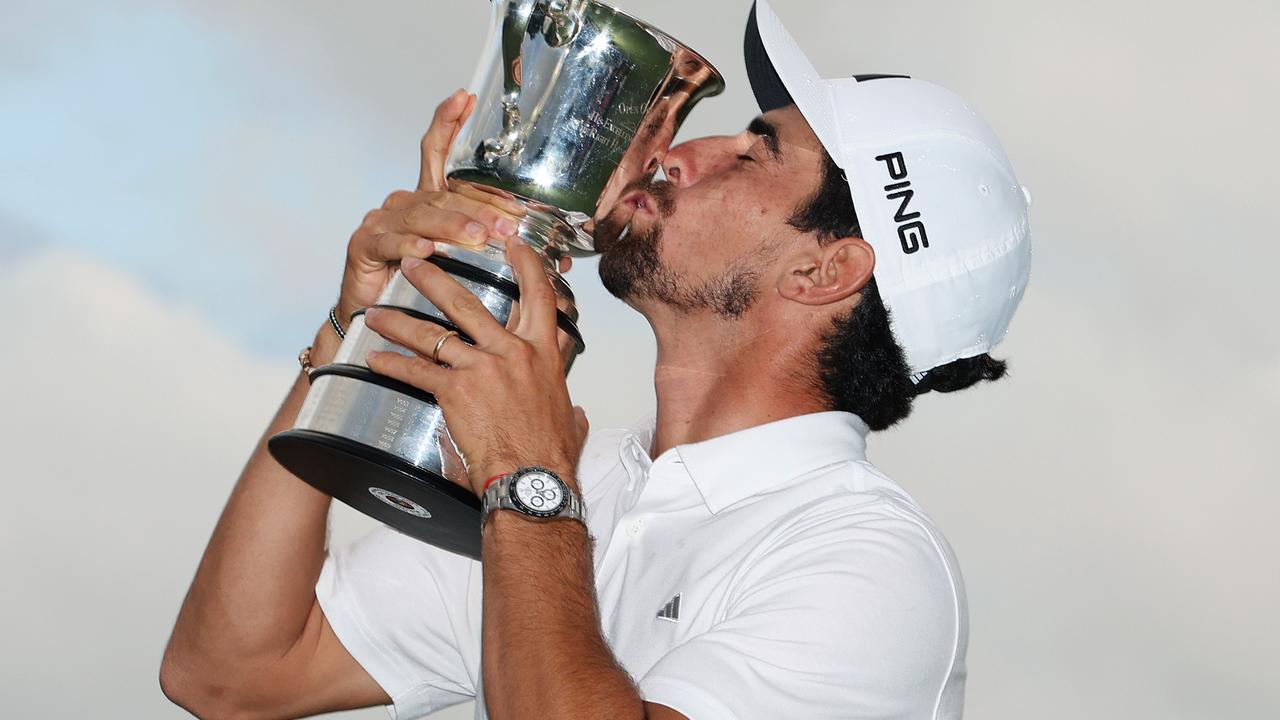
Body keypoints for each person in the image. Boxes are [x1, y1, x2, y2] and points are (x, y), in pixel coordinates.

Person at [160, 1, 1031, 718]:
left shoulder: (871, 563)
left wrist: (525, 477)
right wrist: (362, 325)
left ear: (824, 270)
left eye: (752, 152)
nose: (675, 155)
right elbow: (233, 670)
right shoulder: (590, 480)